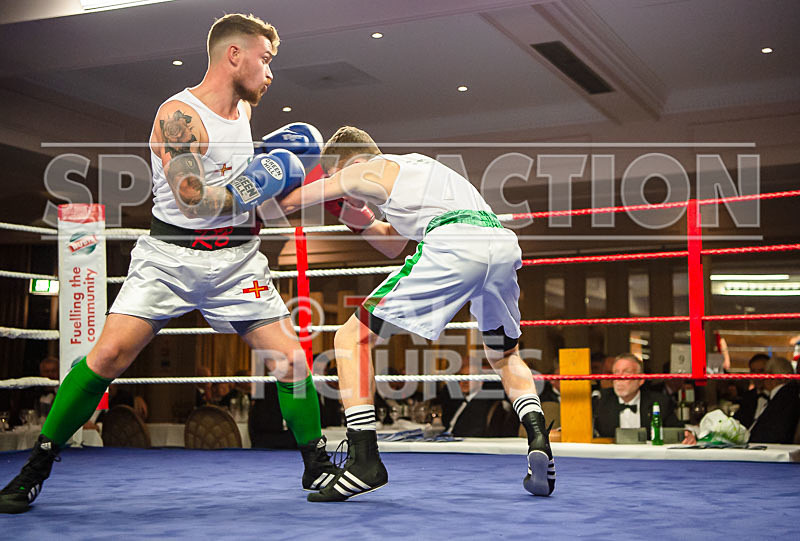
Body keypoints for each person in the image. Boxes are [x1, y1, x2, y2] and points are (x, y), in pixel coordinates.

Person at [0, 13, 339, 515]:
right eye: (265, 59)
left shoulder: (243, 113)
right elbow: (193, 200)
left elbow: (240, 182)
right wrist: (257, 182)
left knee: (291, 359)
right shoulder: (178, 116)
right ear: (234, 55)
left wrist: (286, 181)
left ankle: (316, 463)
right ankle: (35, 467)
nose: (270, 73)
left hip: (236, 262)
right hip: (170, 258)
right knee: (109, 357)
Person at [279, 126, 554, 501]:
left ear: (348, 163)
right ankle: (538, 437)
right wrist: (348, 212)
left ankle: (364, 460)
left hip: (455, 245)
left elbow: (290, 202)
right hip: (500, 245)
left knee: (350, 337)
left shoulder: (362, 169)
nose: (340, 185)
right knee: (505, 354)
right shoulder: (417, 170)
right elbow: (392, 244)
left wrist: (252, 184)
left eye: (336, 175)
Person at [593, 353, 680, 438]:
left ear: (641, 380)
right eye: (616, 372)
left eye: (626, 373)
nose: (619, 378)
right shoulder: (600, 401)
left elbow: (678, 434)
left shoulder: (660, 402)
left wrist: (686, 436)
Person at [747, 357, 800, 443]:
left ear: (771, 377)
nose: (762, 379)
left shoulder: (783, 398)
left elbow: (771, 434)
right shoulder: (788, 395)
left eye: (764, 373)